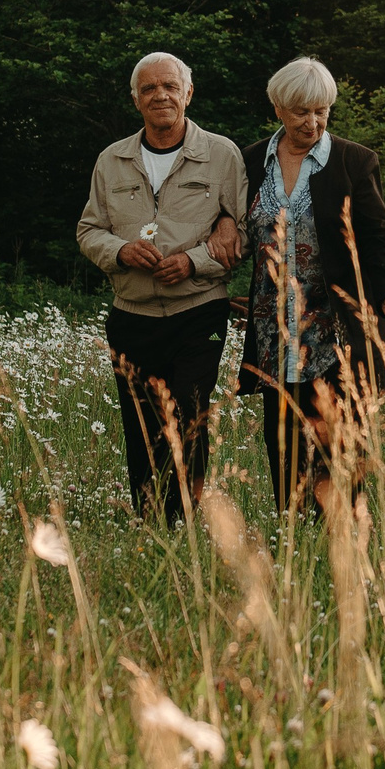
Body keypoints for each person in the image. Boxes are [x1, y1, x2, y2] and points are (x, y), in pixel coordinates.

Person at [76, 52, 246, 524]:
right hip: (131, 314)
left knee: (190, 417)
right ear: (136, 100)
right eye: (149, 89)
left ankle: (188, 519)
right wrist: (122, 251)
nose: (161, 96)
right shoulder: (112, 160)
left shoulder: (222, 154)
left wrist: (193, 263)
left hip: (201, 313)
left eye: (170, 86)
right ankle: (151, 520)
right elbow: (89, 231)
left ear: (188, 94)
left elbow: (245, 235)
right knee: (141, 423)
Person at [236, 56, 385, 514]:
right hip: (274, 326)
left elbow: (377, 233)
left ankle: (343, 535)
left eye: (321, 111)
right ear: (278, 108)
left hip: (336, 327)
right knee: (285, 435)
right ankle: (291, 532)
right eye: (301, 112)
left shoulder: (354, 161)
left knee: (340, 439)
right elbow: (233, 221)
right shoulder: (251, 160)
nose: (312, 122)